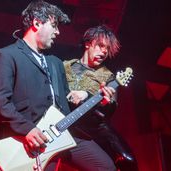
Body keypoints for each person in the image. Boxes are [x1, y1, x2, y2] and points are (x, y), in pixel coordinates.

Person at [0, 1, 116, 171]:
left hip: (63, 131)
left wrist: (97, 99)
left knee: (107, 167)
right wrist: (28, 129)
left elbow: (68, 101)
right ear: (36, 23)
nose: (58, 32)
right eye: (54, 25)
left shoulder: (55, 63)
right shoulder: (7, 56)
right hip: (30, 138)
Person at [63, 25, 139, 171]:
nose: (104, 51)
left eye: (107, 49)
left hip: (84, 132)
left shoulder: (108, 77)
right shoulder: (64, 66)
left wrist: (104, 102)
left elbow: (110, 108)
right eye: (100, 46)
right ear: (87, 43)